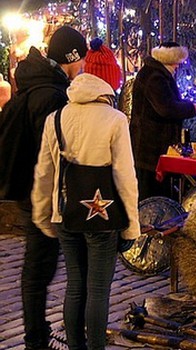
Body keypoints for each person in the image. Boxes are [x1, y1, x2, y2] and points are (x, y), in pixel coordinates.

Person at [31, 38, 140, 350]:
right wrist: (132, 226)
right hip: (102, 216)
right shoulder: (115, 119)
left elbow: (45, 171)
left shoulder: (57, 118)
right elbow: (125, 177)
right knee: (98, 288)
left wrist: (44, 214)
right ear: (108, 83)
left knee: (75, 285)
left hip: (66, 212)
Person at [0, 25, 87, 350]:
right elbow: (51, 152)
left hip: (34, 189)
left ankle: (40, 334)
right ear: (72, 58)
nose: (82, 67)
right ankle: (36, 339)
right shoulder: (50, 95)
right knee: (39, 269)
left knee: (40, 268)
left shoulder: (39, 86)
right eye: (81, 60)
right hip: (42, 194)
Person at [130, 41, 196, 200]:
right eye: (177, 62)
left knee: (153, 194)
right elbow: (166, 108)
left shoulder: (155, 74)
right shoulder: (156, 77)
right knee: (152, 198)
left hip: (150, 148)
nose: (178, 66)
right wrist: (191, 109)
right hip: (150, 149)